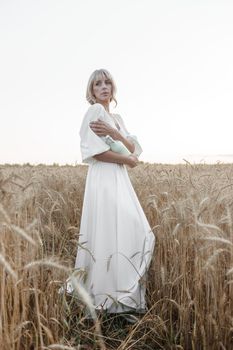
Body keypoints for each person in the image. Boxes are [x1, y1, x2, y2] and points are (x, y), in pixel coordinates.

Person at [59, 69, 155, 320]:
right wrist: (127, 159)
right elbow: (94, 152)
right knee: (107, 229)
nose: (104, 87)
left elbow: (133, 147)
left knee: (132, 230)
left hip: (119, 178)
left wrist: (115, 134)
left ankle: (122, 293)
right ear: (91, 91)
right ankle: (105, 294)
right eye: (97, 84)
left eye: (107, 82)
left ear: (113, 87)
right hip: (103, 176)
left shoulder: (117, 118)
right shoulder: (94, 112)